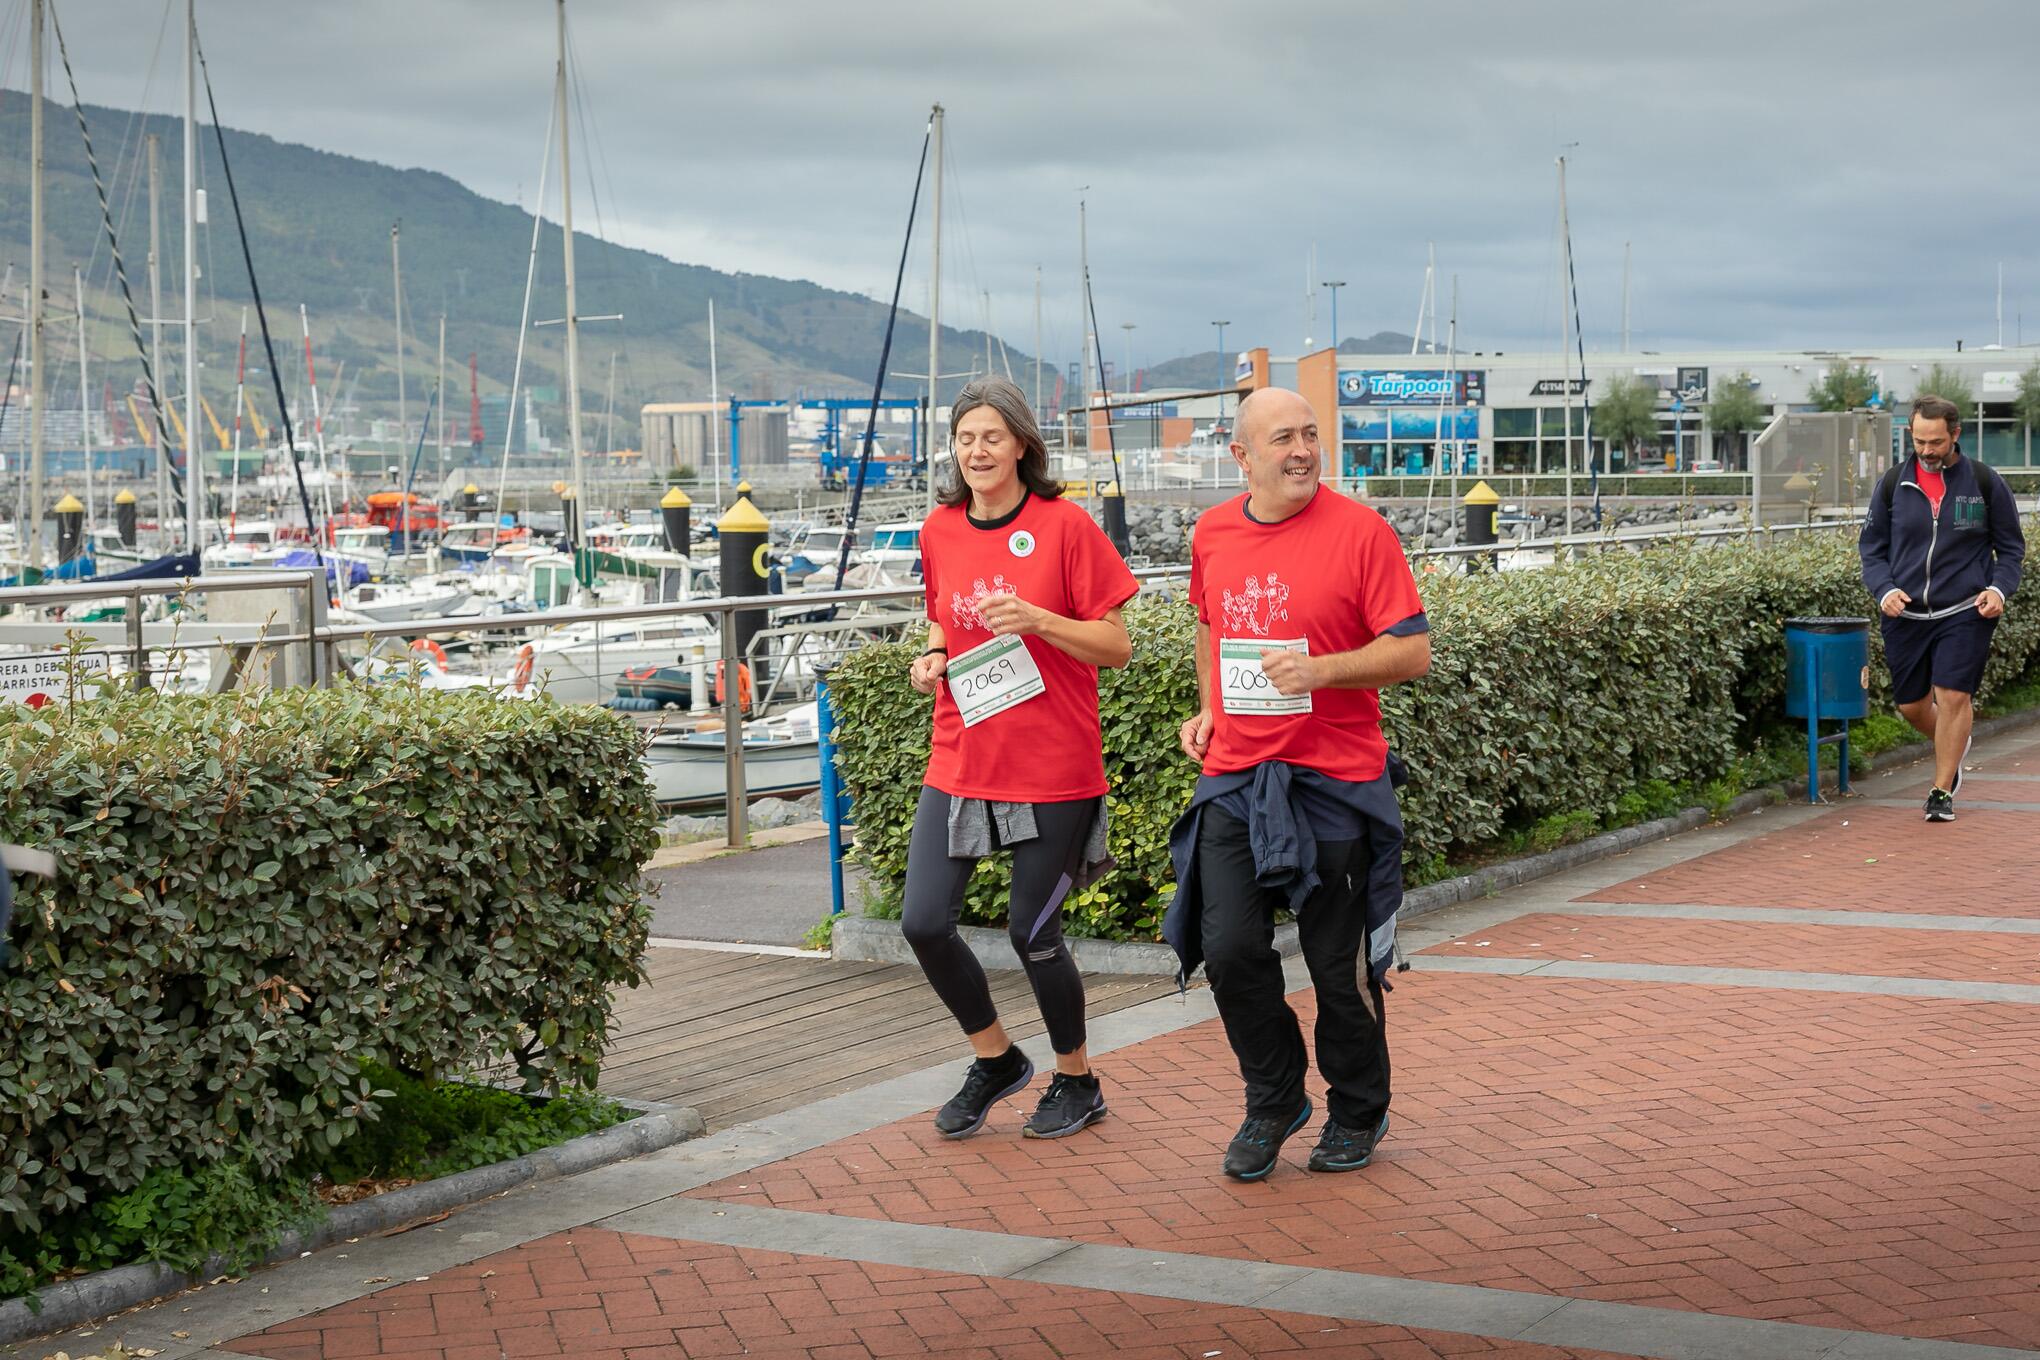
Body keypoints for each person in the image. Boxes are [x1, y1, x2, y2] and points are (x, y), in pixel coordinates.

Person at [1165, 387, 1430, 1181]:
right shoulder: (1212, 531)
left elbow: (1410, 652)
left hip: (1335, 778)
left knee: (1334, 969)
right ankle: (1275, 1097)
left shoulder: (1362, 532)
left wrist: (1321, 670)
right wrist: (1209, 706)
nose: (1304, 451)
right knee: (1231, 948)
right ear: (1241, 455)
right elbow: (1209, 622)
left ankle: (1357, 1110)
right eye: (1284, 438)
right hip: (1238, 775)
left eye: (1312, 434)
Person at [903, 377, 1139, 1140]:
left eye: (992, 437)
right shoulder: (939, 529)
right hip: (962, 754)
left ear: (1022, 445)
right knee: (922, 924)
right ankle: (997, 1060)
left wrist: (1039, 618)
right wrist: (933, 656)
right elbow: (943, 616)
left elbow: (1118, 647)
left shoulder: (1065, 527)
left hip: (1053, 765)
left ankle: (1078, 1081)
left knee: (1030, 935)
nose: (978, 451)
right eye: (966, 438)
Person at [1860, 394, 2025, 822]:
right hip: (1906, 613)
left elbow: (2010, 550)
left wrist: (1999, 590)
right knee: (1912, 705)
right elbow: (1872, 550)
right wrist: (1884, 590)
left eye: (1935, 442)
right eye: (1919, 442)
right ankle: (1954, 742)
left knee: (1953, 695)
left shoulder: (1985, 483)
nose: (1927, 451)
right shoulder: (1894, 483)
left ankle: (1941, 789)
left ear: (1955, 434)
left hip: (1965, 610)